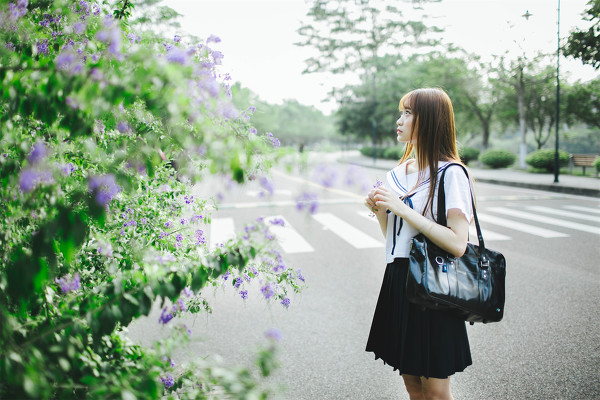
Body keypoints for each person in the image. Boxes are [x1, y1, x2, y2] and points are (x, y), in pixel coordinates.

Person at [364, 88, 473, 400]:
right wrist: (381, 210)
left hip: (433, 284)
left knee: (436, 391)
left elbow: (457, 243)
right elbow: (393, 239)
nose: (400, 120)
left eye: (408, 113)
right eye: (402, 112)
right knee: (412, 385)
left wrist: (402, 208)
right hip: (398, 278)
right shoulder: (396, 174)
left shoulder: (451, 174)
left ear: (430, 120)